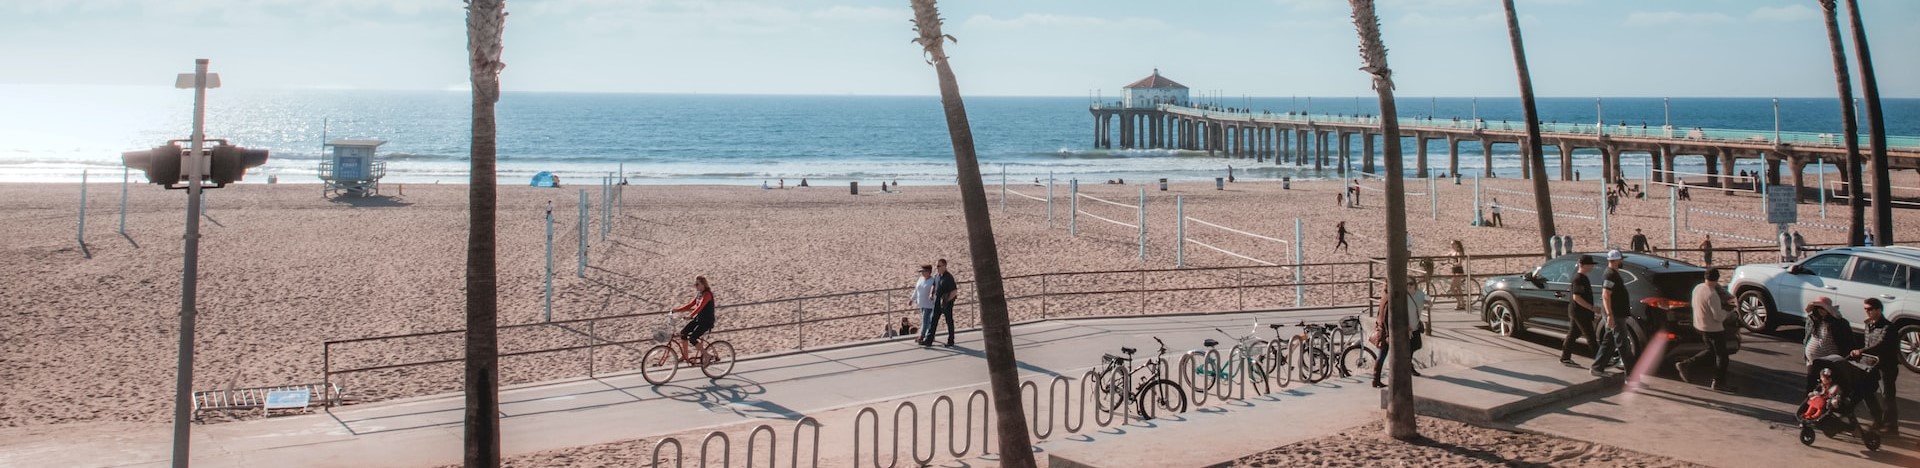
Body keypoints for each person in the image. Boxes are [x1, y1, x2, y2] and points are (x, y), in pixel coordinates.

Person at [1676, 269, 1736, 391]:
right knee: (1722, 356)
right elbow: (1718, 316)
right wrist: (1728, 313)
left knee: (1711, 351)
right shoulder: (1712, 294)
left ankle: (1687, 364)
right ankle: (1718, 382)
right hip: (1713, 328)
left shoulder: (1698, 288)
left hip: (1700, 325)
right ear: (1717, 279)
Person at [1849, 298, 1900, 434]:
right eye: (1865, 309)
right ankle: (1878, 419)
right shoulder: (1869, 324)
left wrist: (1861, 351)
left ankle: (1891, 426)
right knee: (1866, 391)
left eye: (1870, 309)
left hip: (1886, 366)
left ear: (1878, 310)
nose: (1867, 312)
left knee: (1887, 395)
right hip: (1870, 365)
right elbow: (1868, 344)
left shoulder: (1888, 327)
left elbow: (1880, 345)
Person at [1372, 277, 1427, 388]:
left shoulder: (1385, 296)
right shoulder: (1389, 299)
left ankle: (1376, 378)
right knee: (1384, 354)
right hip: (1387, 331)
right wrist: (1388, 334)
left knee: (1385, 354)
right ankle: (1376, 379)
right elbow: (1387, 317)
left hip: (1383, 329)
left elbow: (1380, 315)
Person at [1591, 250, 1636, 377]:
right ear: (1617, 260)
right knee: (1623, 344)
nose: (1622, 262)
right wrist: (1610, 315)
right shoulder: (1610, 275)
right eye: (1621, 259)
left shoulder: (1613, 273)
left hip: (1616, 314)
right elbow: (1606, 295)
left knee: (1609, 341)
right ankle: (1632, 376)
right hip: (1615, 315)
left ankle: (1597, 367)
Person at [1803, 297, 1855, 393]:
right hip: (1812, 360)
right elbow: (1807, 336)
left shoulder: (1840, 323)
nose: (1820, 311)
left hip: (1829, 361)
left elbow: (1847, 342)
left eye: (1823, 308)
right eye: (1818, 308)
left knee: (1827, 385)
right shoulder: (1812, 320)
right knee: (1810, 385)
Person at [1561, 255, 1600, 367]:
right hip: (1580, 312)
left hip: (1579, 312)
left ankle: (1565, 357)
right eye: (1590, 264)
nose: (1592, 267)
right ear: (1584, 265)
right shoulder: (1578, 278)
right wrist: (1592, 308)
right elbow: (1577, 297)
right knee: (1591, 336)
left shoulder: (1583, 277)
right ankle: (1600, 361)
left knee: (1573, 334)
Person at [670, 276, 717, 362]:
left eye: (697, 284)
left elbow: (700, 306)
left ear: (703, 284)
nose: (695, 286)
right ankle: (685, 356)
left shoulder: (707, 294)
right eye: (695, 284)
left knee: (692, 338)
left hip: (706, 321)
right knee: (683, 333)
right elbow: (690, 305)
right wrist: (677, 310)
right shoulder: (699, 294)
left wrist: (691, 315)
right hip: (699, 319)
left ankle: (707, 355)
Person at [926, 259, 960, 347]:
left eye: (939, 266)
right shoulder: (937, 276)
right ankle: (929, 340)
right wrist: (931, 293)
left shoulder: (949, 277)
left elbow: (954, 291)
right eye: (936, 266)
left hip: (946, 303)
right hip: (936, 302)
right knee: (933, 320)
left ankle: (950, 340)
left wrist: (947, 300)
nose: (937, 268)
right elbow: (934, 285)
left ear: (944, 266)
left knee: (949, 321)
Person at [909, 265, 936, 347]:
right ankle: (930, 336)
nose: (922, 273)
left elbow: (935, 292)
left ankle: (922, 336)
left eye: (924, 271)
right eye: (922, 272)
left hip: (929, 304)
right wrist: (911, 299)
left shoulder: (932, 281)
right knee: (926, 322)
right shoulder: (920, 279)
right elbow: (916, 290)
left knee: (925, 321)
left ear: (929, 272)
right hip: (921, 303)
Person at [1445, 240, 1470, 310]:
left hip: (1458, 271)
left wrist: (1452, 264)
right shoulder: (1452, 252)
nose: (1451, 245)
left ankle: (1459, 303)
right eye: (1451, 244)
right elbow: (1447, 255)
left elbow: (1459, 263)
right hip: (1454, 271)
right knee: (1458, 288)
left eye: (1453, 244)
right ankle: (1462, 304)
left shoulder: (1459, 253)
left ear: (1457, 245)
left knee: (1452, 288)